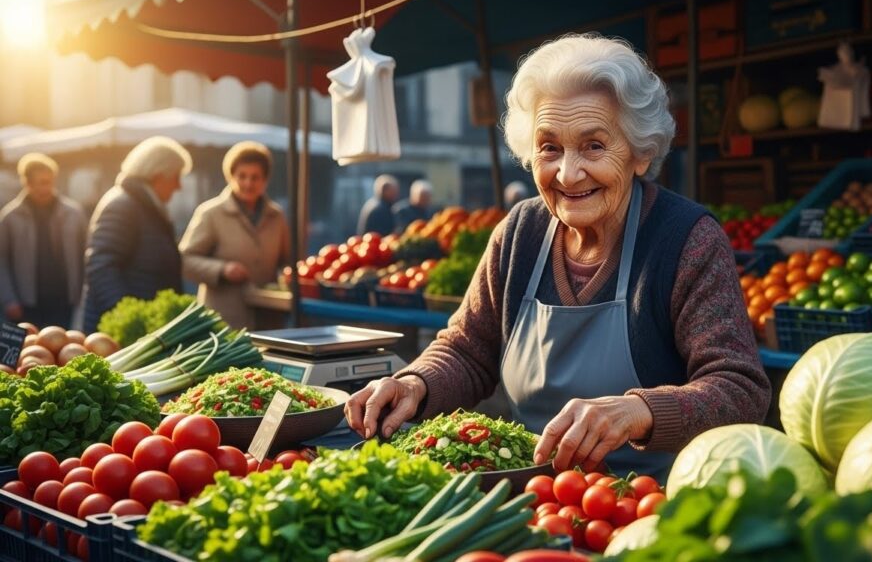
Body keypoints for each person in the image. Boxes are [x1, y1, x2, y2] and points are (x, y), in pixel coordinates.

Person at [345, 34, 770, 480]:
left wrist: (638, 410)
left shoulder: (687, 241)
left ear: (640, 153)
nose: (568, 173)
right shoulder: (520, 233)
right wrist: (416, 383)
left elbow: (740, 389)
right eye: (550, 147)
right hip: (538, 495)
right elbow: (469, 350)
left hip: (651, 503)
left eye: (594, 146)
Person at [82, 136, 192, 332]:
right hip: (120, 332)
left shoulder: (147, 206)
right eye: (176, 177)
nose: (179, 186)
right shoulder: (122, 205)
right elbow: (101, 267)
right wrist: (130, 318)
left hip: (141, 328)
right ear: (159, 174)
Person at [179, 141, 290, 329]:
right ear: (231, 177)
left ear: (265, 180)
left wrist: (286, 275)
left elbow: (287, 261)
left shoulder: (276, 216)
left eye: (255, 177)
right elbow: (184, 260)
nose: (248, 183)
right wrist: (222, 269)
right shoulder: (210, 213)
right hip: (224, 321)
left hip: (268, 320)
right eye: (242, 176)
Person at [0, 154, 88, 328]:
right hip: (26, 305)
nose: (45, 188)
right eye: (40, 183)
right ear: (27, 183)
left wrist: (82, 295)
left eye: (49, 182)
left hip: (65, 302)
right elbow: (2, 261)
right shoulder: (10, 218)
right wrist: (9, 300)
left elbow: (86, 255)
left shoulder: (74, 214)